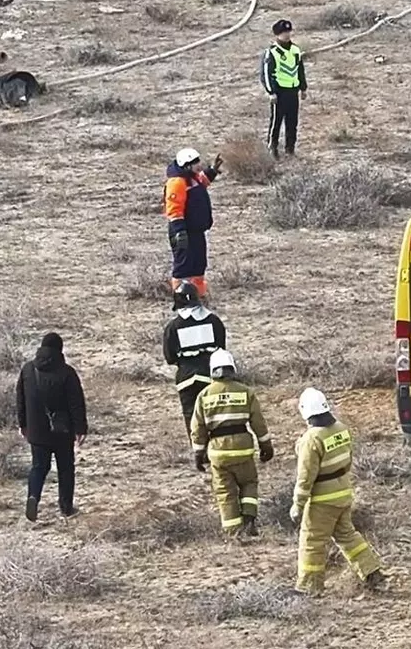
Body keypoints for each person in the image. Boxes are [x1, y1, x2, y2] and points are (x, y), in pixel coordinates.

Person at [291, 387, 386, 596]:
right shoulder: (341, 429)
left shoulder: (311, 439)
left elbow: (305, 477)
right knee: (347, 536)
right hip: (343, 493)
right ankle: (372, 573)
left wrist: (298, 505)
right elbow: (348, 460)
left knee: (312, 541)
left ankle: (309, 587)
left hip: (322, 501)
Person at [190, 350, 272, 538]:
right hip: (243, 448)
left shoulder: (204, 395)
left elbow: (198, 427)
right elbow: (258, 422)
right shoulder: (245, 392)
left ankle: (233, 532)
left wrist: (198, 453)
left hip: (218, 452)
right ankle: (250, 521)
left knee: (225, 492)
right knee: (249, 483)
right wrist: (266, 445)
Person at [17, 332, 88, 520]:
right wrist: (80, 428)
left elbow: (20, 400)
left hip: (36, 430)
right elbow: (76, 403)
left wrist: (22, 424)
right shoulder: (67, 372)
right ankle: (66, 507)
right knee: (65, 468)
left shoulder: (28, 370)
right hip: (62, 431)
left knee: (38, 466)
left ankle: (33, 497)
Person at [163, 281, 228, 425]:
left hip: (186, 378)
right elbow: (222, 349)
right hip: (211, 376)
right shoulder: (214, 321)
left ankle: (198, 446)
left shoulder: (173, 326)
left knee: (192, 418)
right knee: (215, 416)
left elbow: (169, 357)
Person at [164, 148, 222, 299]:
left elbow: (201, 182)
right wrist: (180, 232)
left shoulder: (191, 177)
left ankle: (198, 297)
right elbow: (174, 210)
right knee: (183, 266)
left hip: (196, 231)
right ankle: (180, 298)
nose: (198, 164)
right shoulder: (177, 182)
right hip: (184, 231)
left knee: (198, 264)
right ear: (186, 165)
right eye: (194, 162)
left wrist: (212, 171)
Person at [261, 20, 307, 159]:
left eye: (288, 32)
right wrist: (271, 92)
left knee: (292, 122)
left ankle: (290, 149)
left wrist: (303, 88)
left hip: (293, 91)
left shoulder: (295, 50)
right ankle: (272, 147)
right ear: (277, 34)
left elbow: (300, 70)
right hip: (279, 92)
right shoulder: (272, 52)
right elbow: (266, 74)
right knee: (276, 122)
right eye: (283, 33)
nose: (286, 35)